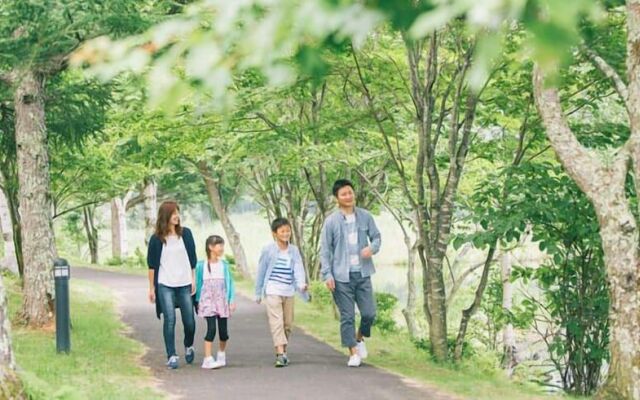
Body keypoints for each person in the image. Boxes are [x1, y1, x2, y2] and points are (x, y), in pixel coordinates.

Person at [320, 179, 381, 367]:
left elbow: (377, 237)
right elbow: (325, 251)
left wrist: (372, 249)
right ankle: (353, 352)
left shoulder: (365, 217)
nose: (348, 196)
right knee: (347, 316)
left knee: (369, 314)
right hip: (341, 277)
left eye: (350, 192)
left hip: (362, 274)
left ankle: (360, 338)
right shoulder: (331, 222)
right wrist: (327, 275)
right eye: (344, 194)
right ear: (337, 198)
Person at [147, 200, 197, 369]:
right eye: (173, 213)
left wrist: (193, 279)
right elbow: (152, 266)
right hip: (165, 283)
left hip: (184, 283)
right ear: (165, 216)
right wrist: (151, 288)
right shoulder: (156, 239)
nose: (177, 216)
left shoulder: (186, 234)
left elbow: (192, 260)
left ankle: (188, 344)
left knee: (189, 321)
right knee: (170, 319)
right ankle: (172, 355)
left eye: (178, 212)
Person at [255, 217, 309, 367]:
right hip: (272, 289)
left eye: (288, 231)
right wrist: (258, 292)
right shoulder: (268, 250)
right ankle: (280, 354)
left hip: (288, 290)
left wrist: (301, 284)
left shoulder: (294, 250)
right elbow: (261, 271)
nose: (286, 234)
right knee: (276, 321)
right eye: (282, 231)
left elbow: (298, 269)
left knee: (287, 324)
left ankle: (283, 352)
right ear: (275, 233)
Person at [195, 235, 236, 369]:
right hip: (207, 301)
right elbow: (198, 283)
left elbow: (230, 283)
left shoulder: (224, 265)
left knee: (223, 332)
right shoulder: (201, 265)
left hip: (222, 301)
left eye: (222, 245)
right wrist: (196, 301)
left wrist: (231, 300)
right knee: (211, 329)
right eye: (219, 245)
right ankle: (207, 358)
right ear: (210, 247)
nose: (222, 248)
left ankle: (221, 354)